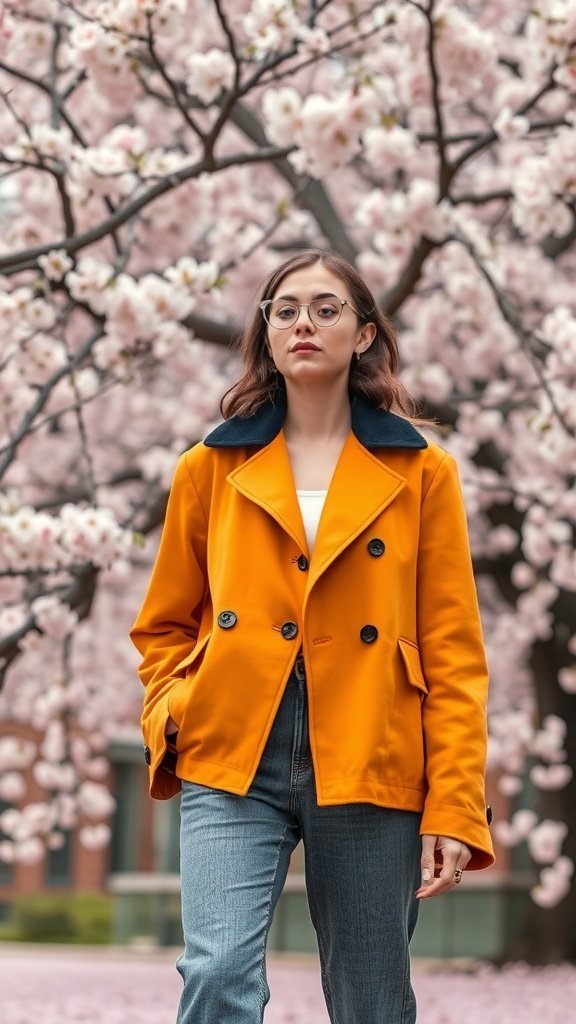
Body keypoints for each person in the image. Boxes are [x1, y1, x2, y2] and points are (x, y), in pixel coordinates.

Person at [130, 248, 495, 1024]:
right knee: (216, 972)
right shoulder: (209, 467)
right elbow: (162, 623)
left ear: (363, 334)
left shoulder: (424, 472)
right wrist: (176, 709)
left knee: (371, 999)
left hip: (371, 746)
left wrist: (454, 806)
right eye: (286, 310)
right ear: (266, 333)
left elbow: (454, 653)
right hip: (233, 746)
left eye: (327, 309)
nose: (304, 323)